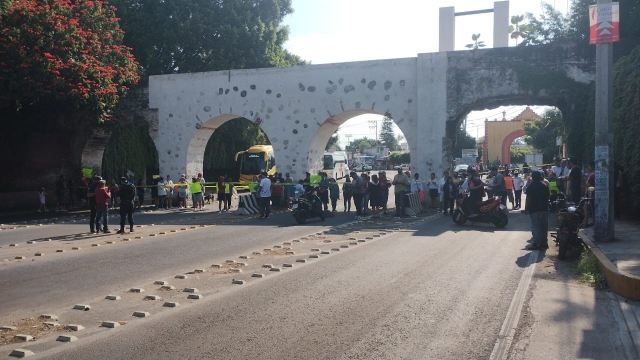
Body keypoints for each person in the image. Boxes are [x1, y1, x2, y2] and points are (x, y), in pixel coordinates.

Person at [524, 171, 550, 250]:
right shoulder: (545, 185)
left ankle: (536, 243)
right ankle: (544, 243)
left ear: (533, 177)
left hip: (534, 209)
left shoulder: (531, 186)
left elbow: (528, 198)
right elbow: (548, 197)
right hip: (545, 209)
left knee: (536, 227)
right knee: (544, 227)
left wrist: (526, 209)